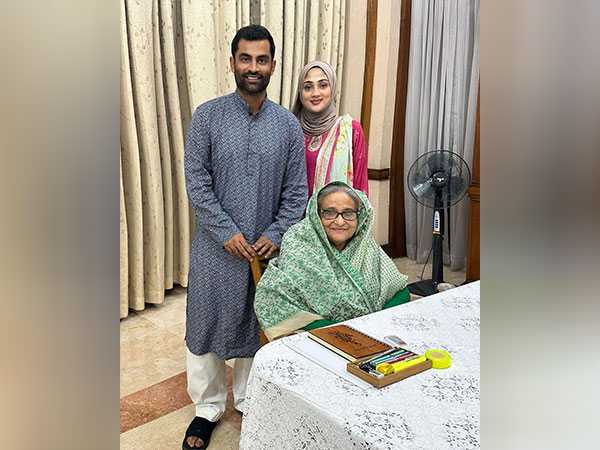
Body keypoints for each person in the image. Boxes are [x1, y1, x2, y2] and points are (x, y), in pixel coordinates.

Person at [182, 25, 307, 449]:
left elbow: (296, 193)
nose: (253, 67)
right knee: (207, 321)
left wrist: (274, 234)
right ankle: (208, 407)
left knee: (257, 324)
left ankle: (252, 400)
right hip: (217, 250)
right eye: (245, 58)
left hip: (265, 252)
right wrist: (227, 233)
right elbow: (197, 184)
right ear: (232, 62)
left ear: (273, 65)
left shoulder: (288, 126)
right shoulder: (208, 116)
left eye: (261, 59)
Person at [254, 181, 409, 341]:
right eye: (329, 213)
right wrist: (345, 331)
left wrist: (372, 323)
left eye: (348, 213)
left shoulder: (365, 245)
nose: (340, 222)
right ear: (316, 214)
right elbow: (282, 304)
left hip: (370, 334)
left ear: (359, 216)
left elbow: (400, 290)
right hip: (313, 339)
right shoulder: (298, 244)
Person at [292, 61, 369, 198]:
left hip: (336, 218)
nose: (315, 93)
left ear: (332, 88)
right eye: (308, 87)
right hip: (294, 218)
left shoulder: (351, 130)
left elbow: (360, 189)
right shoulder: (291, 131)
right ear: (300, 93)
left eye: (323, 85)